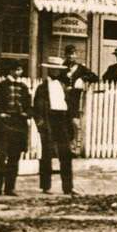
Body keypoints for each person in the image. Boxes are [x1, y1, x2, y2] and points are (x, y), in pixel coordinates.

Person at [0, 59, 31, 197]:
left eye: (20, 69)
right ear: (10, 70)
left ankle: (10, 188)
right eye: (16, 69)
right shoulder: (1, 86)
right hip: (5, 125)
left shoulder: (24, 87)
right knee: (2, 156)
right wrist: (1, 114)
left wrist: (26, 114)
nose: (19, 72)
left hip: (19, 125)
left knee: (14, 157)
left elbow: (30, 107)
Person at [32, 58, 76, 195]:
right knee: (47, 155)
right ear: (49, 70)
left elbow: (68, 107)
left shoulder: (63, 86)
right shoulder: (42, 88)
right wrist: (41, 125)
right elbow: (37, 109)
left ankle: (68, 187)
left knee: (66, 155)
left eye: (58, 69)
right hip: (48, 121)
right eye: (53, 69)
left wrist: (70, 125)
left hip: (61, 121)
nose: (56, 71)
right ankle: (46, 186)